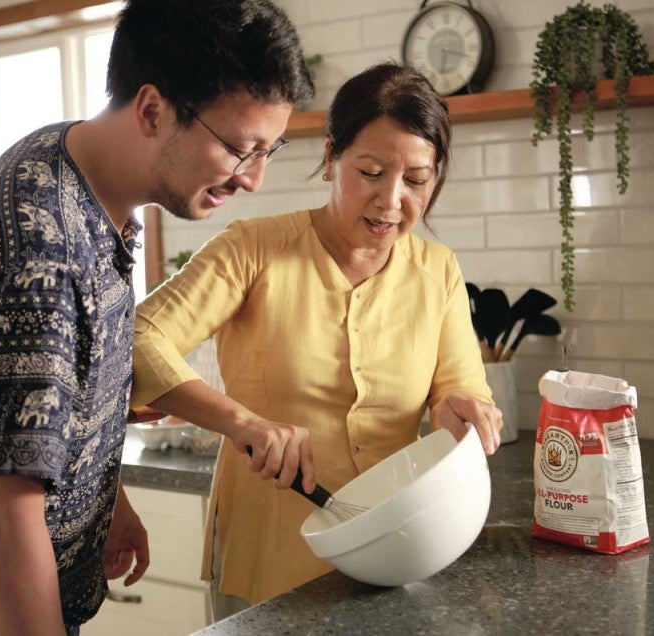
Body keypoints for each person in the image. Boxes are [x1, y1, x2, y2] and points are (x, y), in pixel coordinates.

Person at [0, 0, 313, 633]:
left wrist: (105, 497)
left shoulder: (83, 175)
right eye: (239, 149)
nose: (252, 179)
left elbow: (44, 405)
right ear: (153, 109)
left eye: (268, 150)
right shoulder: (38, 253)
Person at [131, 62, 504, 613]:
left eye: (416, 180)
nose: (391, 201)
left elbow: (460, 387)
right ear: (330, 158)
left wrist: (462, 410)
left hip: (393, 562)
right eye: (371, 172)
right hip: (269, 560)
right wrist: (242, 422)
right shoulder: (252, 249)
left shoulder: (438, 269)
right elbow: (137, 337)